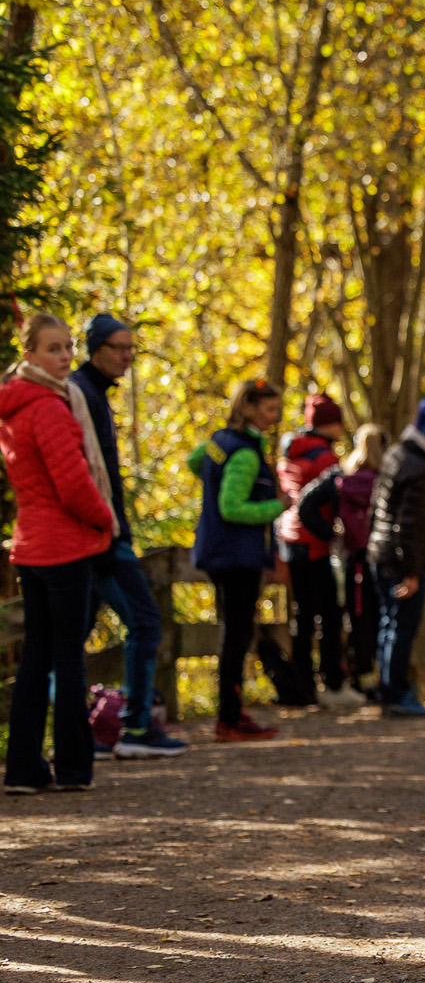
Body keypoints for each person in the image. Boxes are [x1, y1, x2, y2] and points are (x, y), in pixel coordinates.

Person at [2, 314, 118, 794]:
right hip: (62, 546)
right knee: (68, 658)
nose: (66, 356)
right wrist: (106, 519)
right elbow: (72, 484)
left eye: (69, 346)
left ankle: (24, 768)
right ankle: (72, 767)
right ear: (29, 354)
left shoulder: (14, 404)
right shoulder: (48, 406)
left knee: (36, 657)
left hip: (31, 545)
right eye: (54, 348)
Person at [70, 313, 184, 759]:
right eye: (118, 347)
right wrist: (103, 530)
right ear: (95, 348)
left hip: (105, 531)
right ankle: (135, 725)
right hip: (98, 535)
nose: (127, 356)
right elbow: (81, 472)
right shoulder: (80, 392)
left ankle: (84, 733)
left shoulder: (96, 394)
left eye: (131, 348)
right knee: (145, 620)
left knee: (73, 636)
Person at [188, 379, 289, 742]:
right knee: (237, 634)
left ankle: (232, 712)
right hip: (237, 556)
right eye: (268, 409)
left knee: (233, 632)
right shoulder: (245, 454)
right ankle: (229, 717)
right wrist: (278, 506)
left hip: (218, 551)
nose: (273, 417)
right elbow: (232, 508)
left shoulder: (219, 442)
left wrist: (213, 481)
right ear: (248, 408)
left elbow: (194, 461)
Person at [367, 398, 425, 719]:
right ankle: (395, 691)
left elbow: (379, 509)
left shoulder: (396, 454)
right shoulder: (421, 466)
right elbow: (410, 525)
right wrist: (411, 572)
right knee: (401, 625)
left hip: (382, 552)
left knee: (389, 622)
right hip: (400, 559)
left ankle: (390, 688)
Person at [277, 394, 356, 707]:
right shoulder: (325, 458)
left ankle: (303, 684)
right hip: (315, 544)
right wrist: (333, 532)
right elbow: (326, 500)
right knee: (330, 615)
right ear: (329, 424)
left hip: (289, 539)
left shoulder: (290, 452)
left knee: (303, 614)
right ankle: (332, 683)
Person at [333, 424, 387, 696]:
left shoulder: (344, 482)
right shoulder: (382, 482)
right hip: (376, 557)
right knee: (378, 618)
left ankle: (363, 678)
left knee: (357, 618)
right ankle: (378, 679)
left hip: (352, 557)